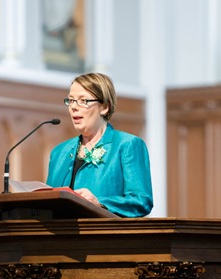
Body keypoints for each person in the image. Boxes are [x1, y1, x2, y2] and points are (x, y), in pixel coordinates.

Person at [46, 72, 153, 217]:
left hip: (104, 236)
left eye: (83, 101)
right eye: (71, 100)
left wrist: (100, 203)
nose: (73, 107)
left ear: (105, 107)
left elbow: (142, 201)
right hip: (61, 237)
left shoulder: (127, 145)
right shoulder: (59, 152)